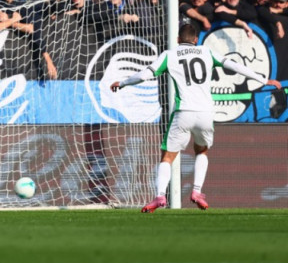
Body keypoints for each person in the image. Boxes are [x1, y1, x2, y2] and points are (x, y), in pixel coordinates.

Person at [110, 24, 282, 213]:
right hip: (206, 113)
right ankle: (197, 191)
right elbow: (235, 66)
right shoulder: (206, 52)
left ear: (177, 39)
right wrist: (263, 80)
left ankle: (160, 196)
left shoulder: (169, 55)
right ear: (196, 40)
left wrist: (123, 83)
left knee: (167, 157)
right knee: (202, 151)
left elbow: (145, 75)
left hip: (183, 111)